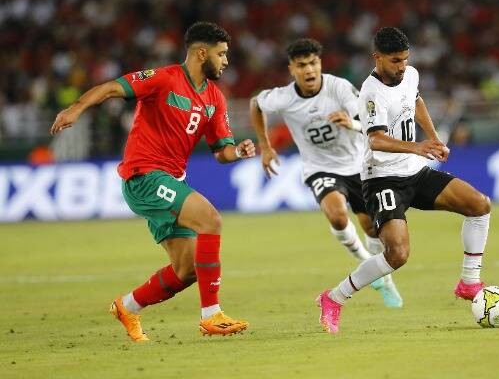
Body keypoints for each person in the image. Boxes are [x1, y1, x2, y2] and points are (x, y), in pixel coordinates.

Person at [50, 21, 255, 341]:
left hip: (171, 180)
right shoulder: (163, 79)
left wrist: (238, 152)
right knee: (210, 219)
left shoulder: (215, 97)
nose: (226, 61)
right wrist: (76, 109)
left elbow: (221, 151)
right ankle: (212, 315)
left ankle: (127, 306)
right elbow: (110, 88)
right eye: (222, 54)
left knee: (187, 270)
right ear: (202, 53)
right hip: (143, 176)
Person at [316, 27, 491, 334]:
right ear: (377, 57)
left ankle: (469, 282)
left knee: (479, 205)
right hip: (382, 179)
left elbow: (416, 101)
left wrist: (434, 139)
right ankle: (333, 298)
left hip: (415, 170)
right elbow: (376, 140)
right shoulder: (371, 94)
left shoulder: (409, 75)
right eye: (395, 60)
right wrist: (418, 146)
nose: (401, 66)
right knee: (397, 254)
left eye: (405, 59)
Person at [250, 38, 403, 308]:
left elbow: (368, 120)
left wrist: (351, 122)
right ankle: (366, 262)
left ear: (320, 64)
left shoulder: (338, 87)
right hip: (320, 168)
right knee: (336, 213)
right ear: (291, 69)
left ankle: (381, 277)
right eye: (301, 65)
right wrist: (265, 145)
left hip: (358, 165)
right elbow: (256, 104)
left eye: (313, 63)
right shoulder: (284, 97)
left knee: (371, 226)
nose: (309, 70)